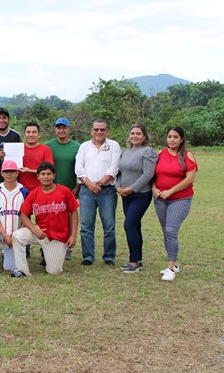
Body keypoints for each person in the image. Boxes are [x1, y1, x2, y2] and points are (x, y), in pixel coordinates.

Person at [11, 162, 79, 276]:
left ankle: (50, 258)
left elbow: (74, 212)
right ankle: (22, 270)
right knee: (17, 236)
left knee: (54, 271)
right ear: (38, 176)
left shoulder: (64, 191)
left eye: (49, 174)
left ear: (54, 176)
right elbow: (23, 215)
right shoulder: (34, 194)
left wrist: (73, 236)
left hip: (58, 235)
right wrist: (34, 230)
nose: (46, 177)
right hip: (40, 231)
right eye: (42, 174)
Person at [151, 126, 198, 281]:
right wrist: (154, 189)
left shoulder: (187, 155)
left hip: (180, 198)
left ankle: (170, 268)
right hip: (160, 199)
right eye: (169, 136)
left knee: (171, 230)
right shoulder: (161, 153)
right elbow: (153, 175)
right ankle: (174, 264)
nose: (172, 140)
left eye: (175, 137)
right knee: (166, 231)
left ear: (181, 139)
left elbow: (190, 179)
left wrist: (170, 191)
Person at [74, 119, 121, 266]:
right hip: (86, 190)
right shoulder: (84, 146)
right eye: (96, 129)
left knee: (109, 225)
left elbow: (114, 168)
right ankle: (88, 256)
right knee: (86, 225)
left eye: (102, 129)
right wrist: (89, 183)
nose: (99, 132)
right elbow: (78, 168)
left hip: (107, 190)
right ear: (91, 131)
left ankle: (109, 257)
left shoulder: (113, 145)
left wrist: (100, 183)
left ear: (107, 131)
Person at [115, 124, 158, 273]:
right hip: (125, 195)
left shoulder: (148, 152)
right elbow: (119, 172)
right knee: (135, 226)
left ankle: (133, 262)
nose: (135, 136)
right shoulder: (126, 152)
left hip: (141, 195)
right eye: (132, 133)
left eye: (138, 134)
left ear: (144, 136)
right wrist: (118, 187)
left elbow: (148, 174)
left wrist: (131, 189)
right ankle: (138, 260)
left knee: (129, 225)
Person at [45, 117, 80, 260]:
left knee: (70, 217)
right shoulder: (48, 146)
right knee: (53, 218)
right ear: (55, 130)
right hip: (52, 188)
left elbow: (81, 169)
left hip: (70, 188)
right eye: (58, 128)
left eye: (64, 128)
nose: (61, 130)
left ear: (69, 129)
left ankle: (67, 247)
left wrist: (77, 187)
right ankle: (50, 247)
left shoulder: (77, 147)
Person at [18, 122, 54, 192]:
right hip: (21, 190)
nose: (31, 135)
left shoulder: (45, 149)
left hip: (40, 189)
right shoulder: (18, 148)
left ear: (39, 135)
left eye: (34, 132)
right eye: (28, 132)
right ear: (24, 135)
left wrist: (29, 170)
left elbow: (49, 170)